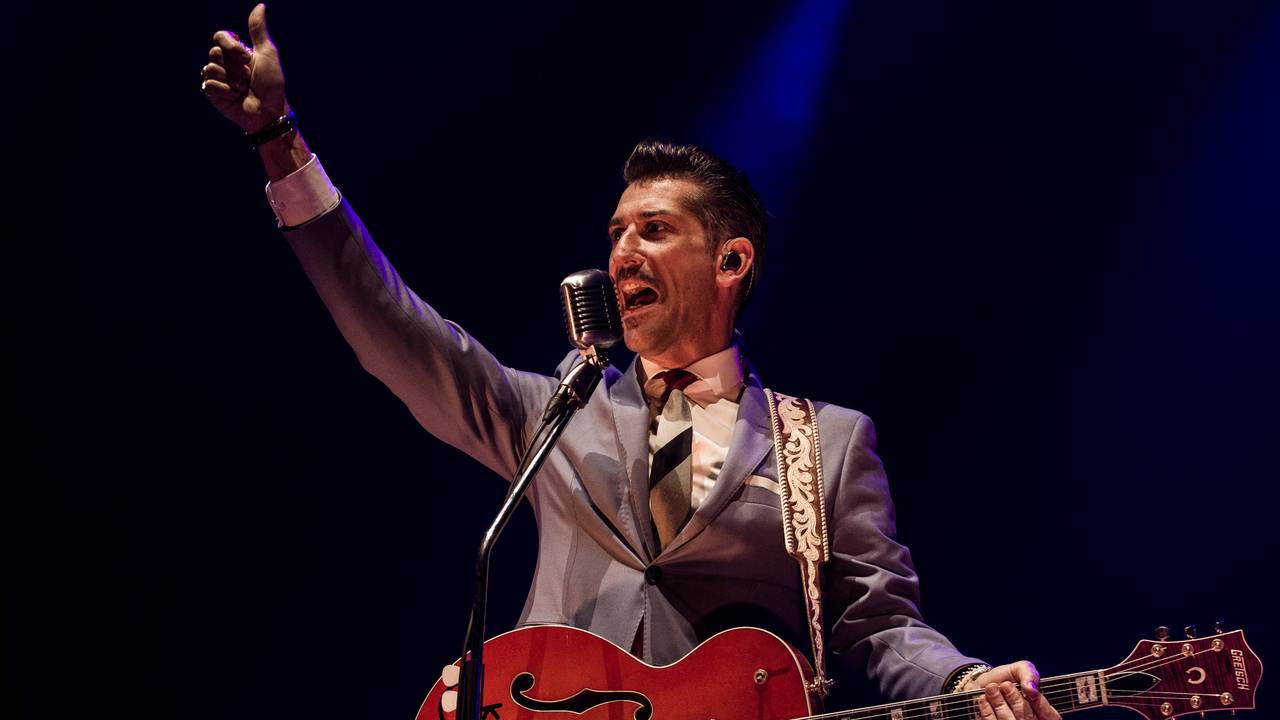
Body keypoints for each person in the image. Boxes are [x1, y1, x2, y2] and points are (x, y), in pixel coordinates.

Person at [201, 6, 1060, 720]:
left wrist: (962, 679)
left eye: (654, 230)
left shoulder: (826, 445)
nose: (622, 252)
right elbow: (393, 329)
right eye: (615, 234)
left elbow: (878, 627)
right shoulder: (558, 412)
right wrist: (280, 143)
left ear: (732, 263)